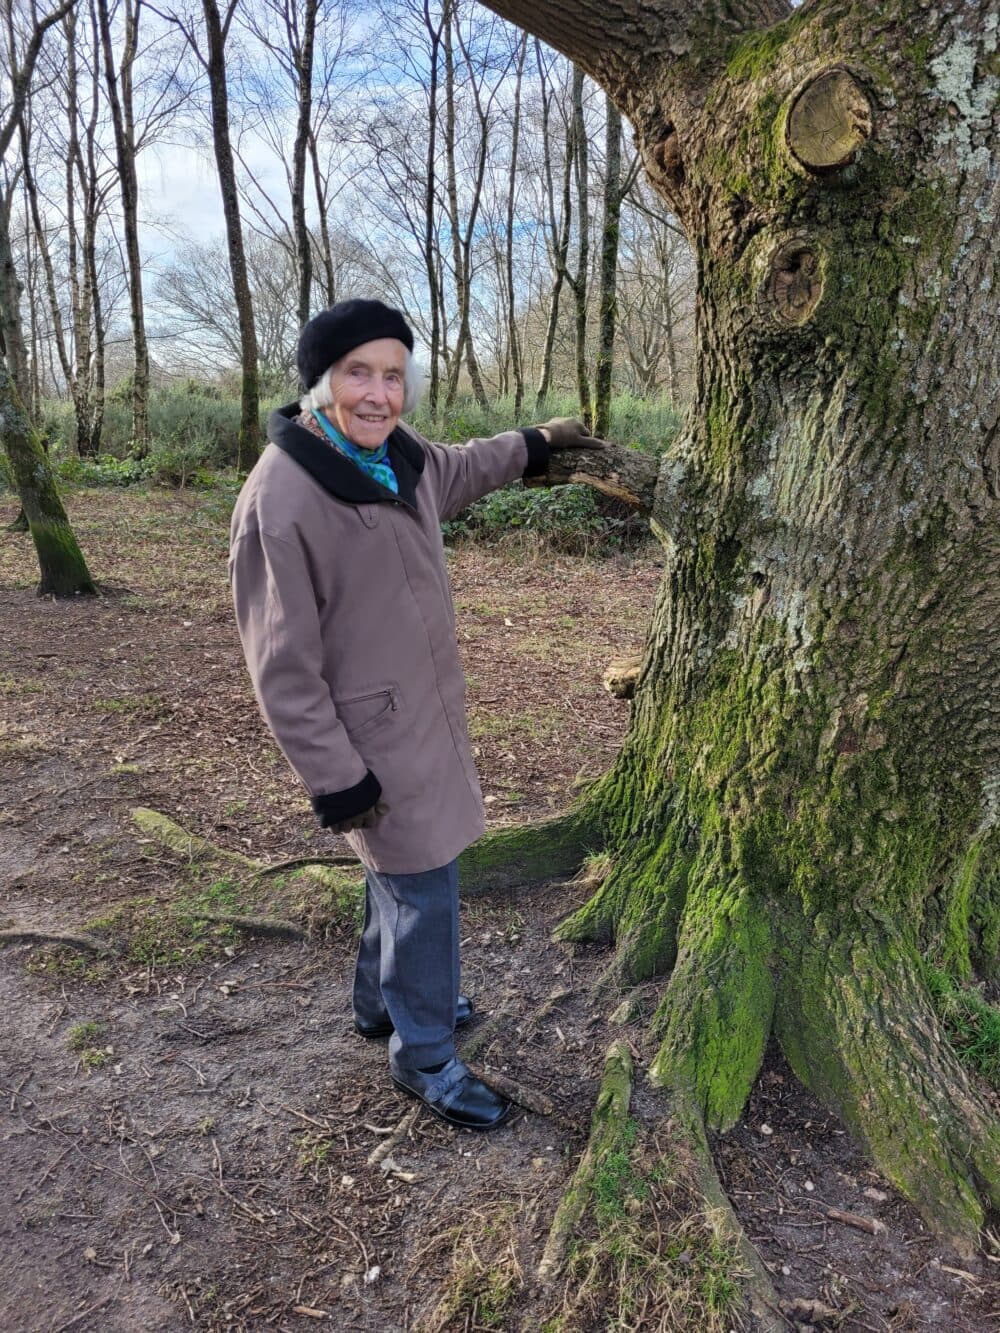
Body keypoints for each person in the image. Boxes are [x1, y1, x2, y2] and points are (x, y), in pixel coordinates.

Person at [229, 298, 599, 1131]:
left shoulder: (397, 459)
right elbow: (281, 670)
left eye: (393, 375)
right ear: (320, 384)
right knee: (424, 887)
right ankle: (424, 1053)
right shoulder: (280, 499)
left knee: (394, 879)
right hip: (370, 744)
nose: (377, 393)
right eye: (358, 373)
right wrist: (338, 778)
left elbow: (461, 467)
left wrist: (535, 444)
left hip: (423, 717)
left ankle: (378, 1004)